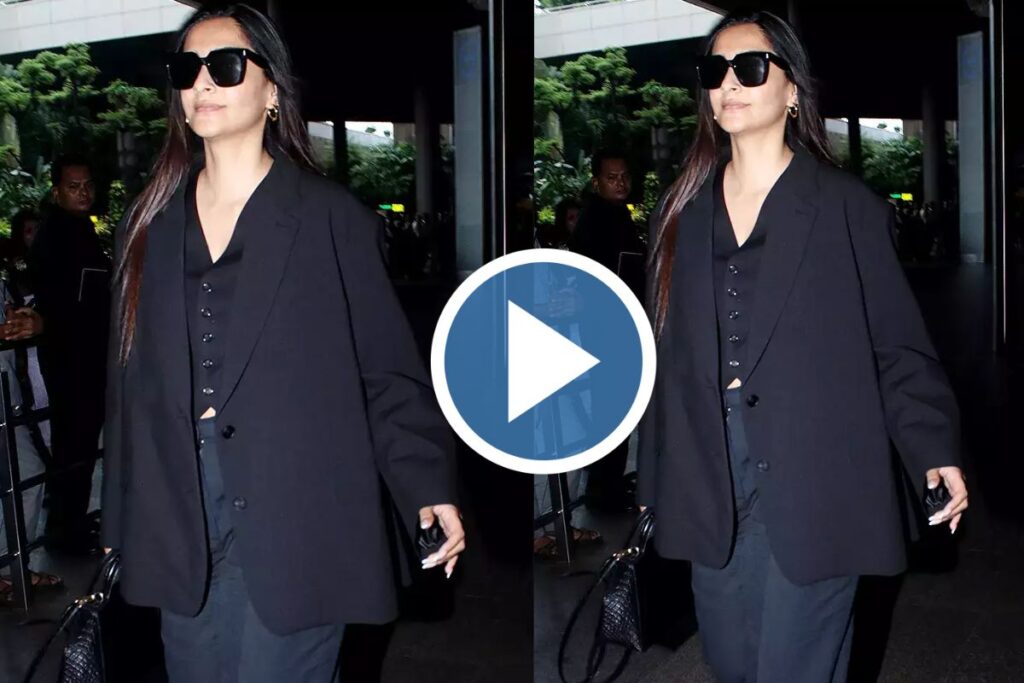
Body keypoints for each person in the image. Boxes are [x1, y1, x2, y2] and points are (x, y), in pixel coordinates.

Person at [100, 5, 465, 682]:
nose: (202, 83)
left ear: (272, 89)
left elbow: (384, 370)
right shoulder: (147, 223)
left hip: (301, 502)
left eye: (225, 65)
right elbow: (128, 384)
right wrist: (117, 517)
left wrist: (424, 483)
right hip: (177, 509)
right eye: (186, 69)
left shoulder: (331, 218)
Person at [637, 11, 968, 682]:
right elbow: (664, 360)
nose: (729, 83)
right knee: (732, 663)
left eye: (750, 67)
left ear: (792, 89)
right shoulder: (681, 212)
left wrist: (933, 449)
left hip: (819, 469)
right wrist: (652, 481)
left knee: (794, 666)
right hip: (708, 471)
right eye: (715, 71)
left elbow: (896, 345)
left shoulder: (846, 207)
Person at [27, 154, 110, 557]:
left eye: (88, 185)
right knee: (73, 446)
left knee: (80, 445)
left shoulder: (80, 229)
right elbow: (55, 298)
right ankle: (65, 532)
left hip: (86, 355)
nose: (83, 193)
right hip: (70, 358)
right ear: (57, 191)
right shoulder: (55, 234)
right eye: (74, 187)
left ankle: (70, 527)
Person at [570, 151, 644, 513]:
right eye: (612, 177)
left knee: (613, 408)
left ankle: (607, 487)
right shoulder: (596, 218)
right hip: (607, 324)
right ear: (596, 181)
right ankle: (604, 492)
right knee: (611, 409)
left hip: (613, 321)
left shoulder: (615, 215)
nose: (620, 183)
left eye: (624, 176)